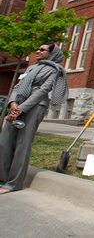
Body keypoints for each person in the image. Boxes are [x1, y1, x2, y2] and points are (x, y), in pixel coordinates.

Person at [0, 43, 68, 194]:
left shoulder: (54, 70)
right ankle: (1, 179)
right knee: (4, 142)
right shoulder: (31, 68)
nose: (38, 51)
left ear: (51, 54)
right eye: (38, 49)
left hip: (35, 107)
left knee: (22, 146)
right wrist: (12, 103)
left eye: (42, 50)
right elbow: (18, 87)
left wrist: (21, 108)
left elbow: (43, 90)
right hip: (16, 106)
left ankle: (13, 184)